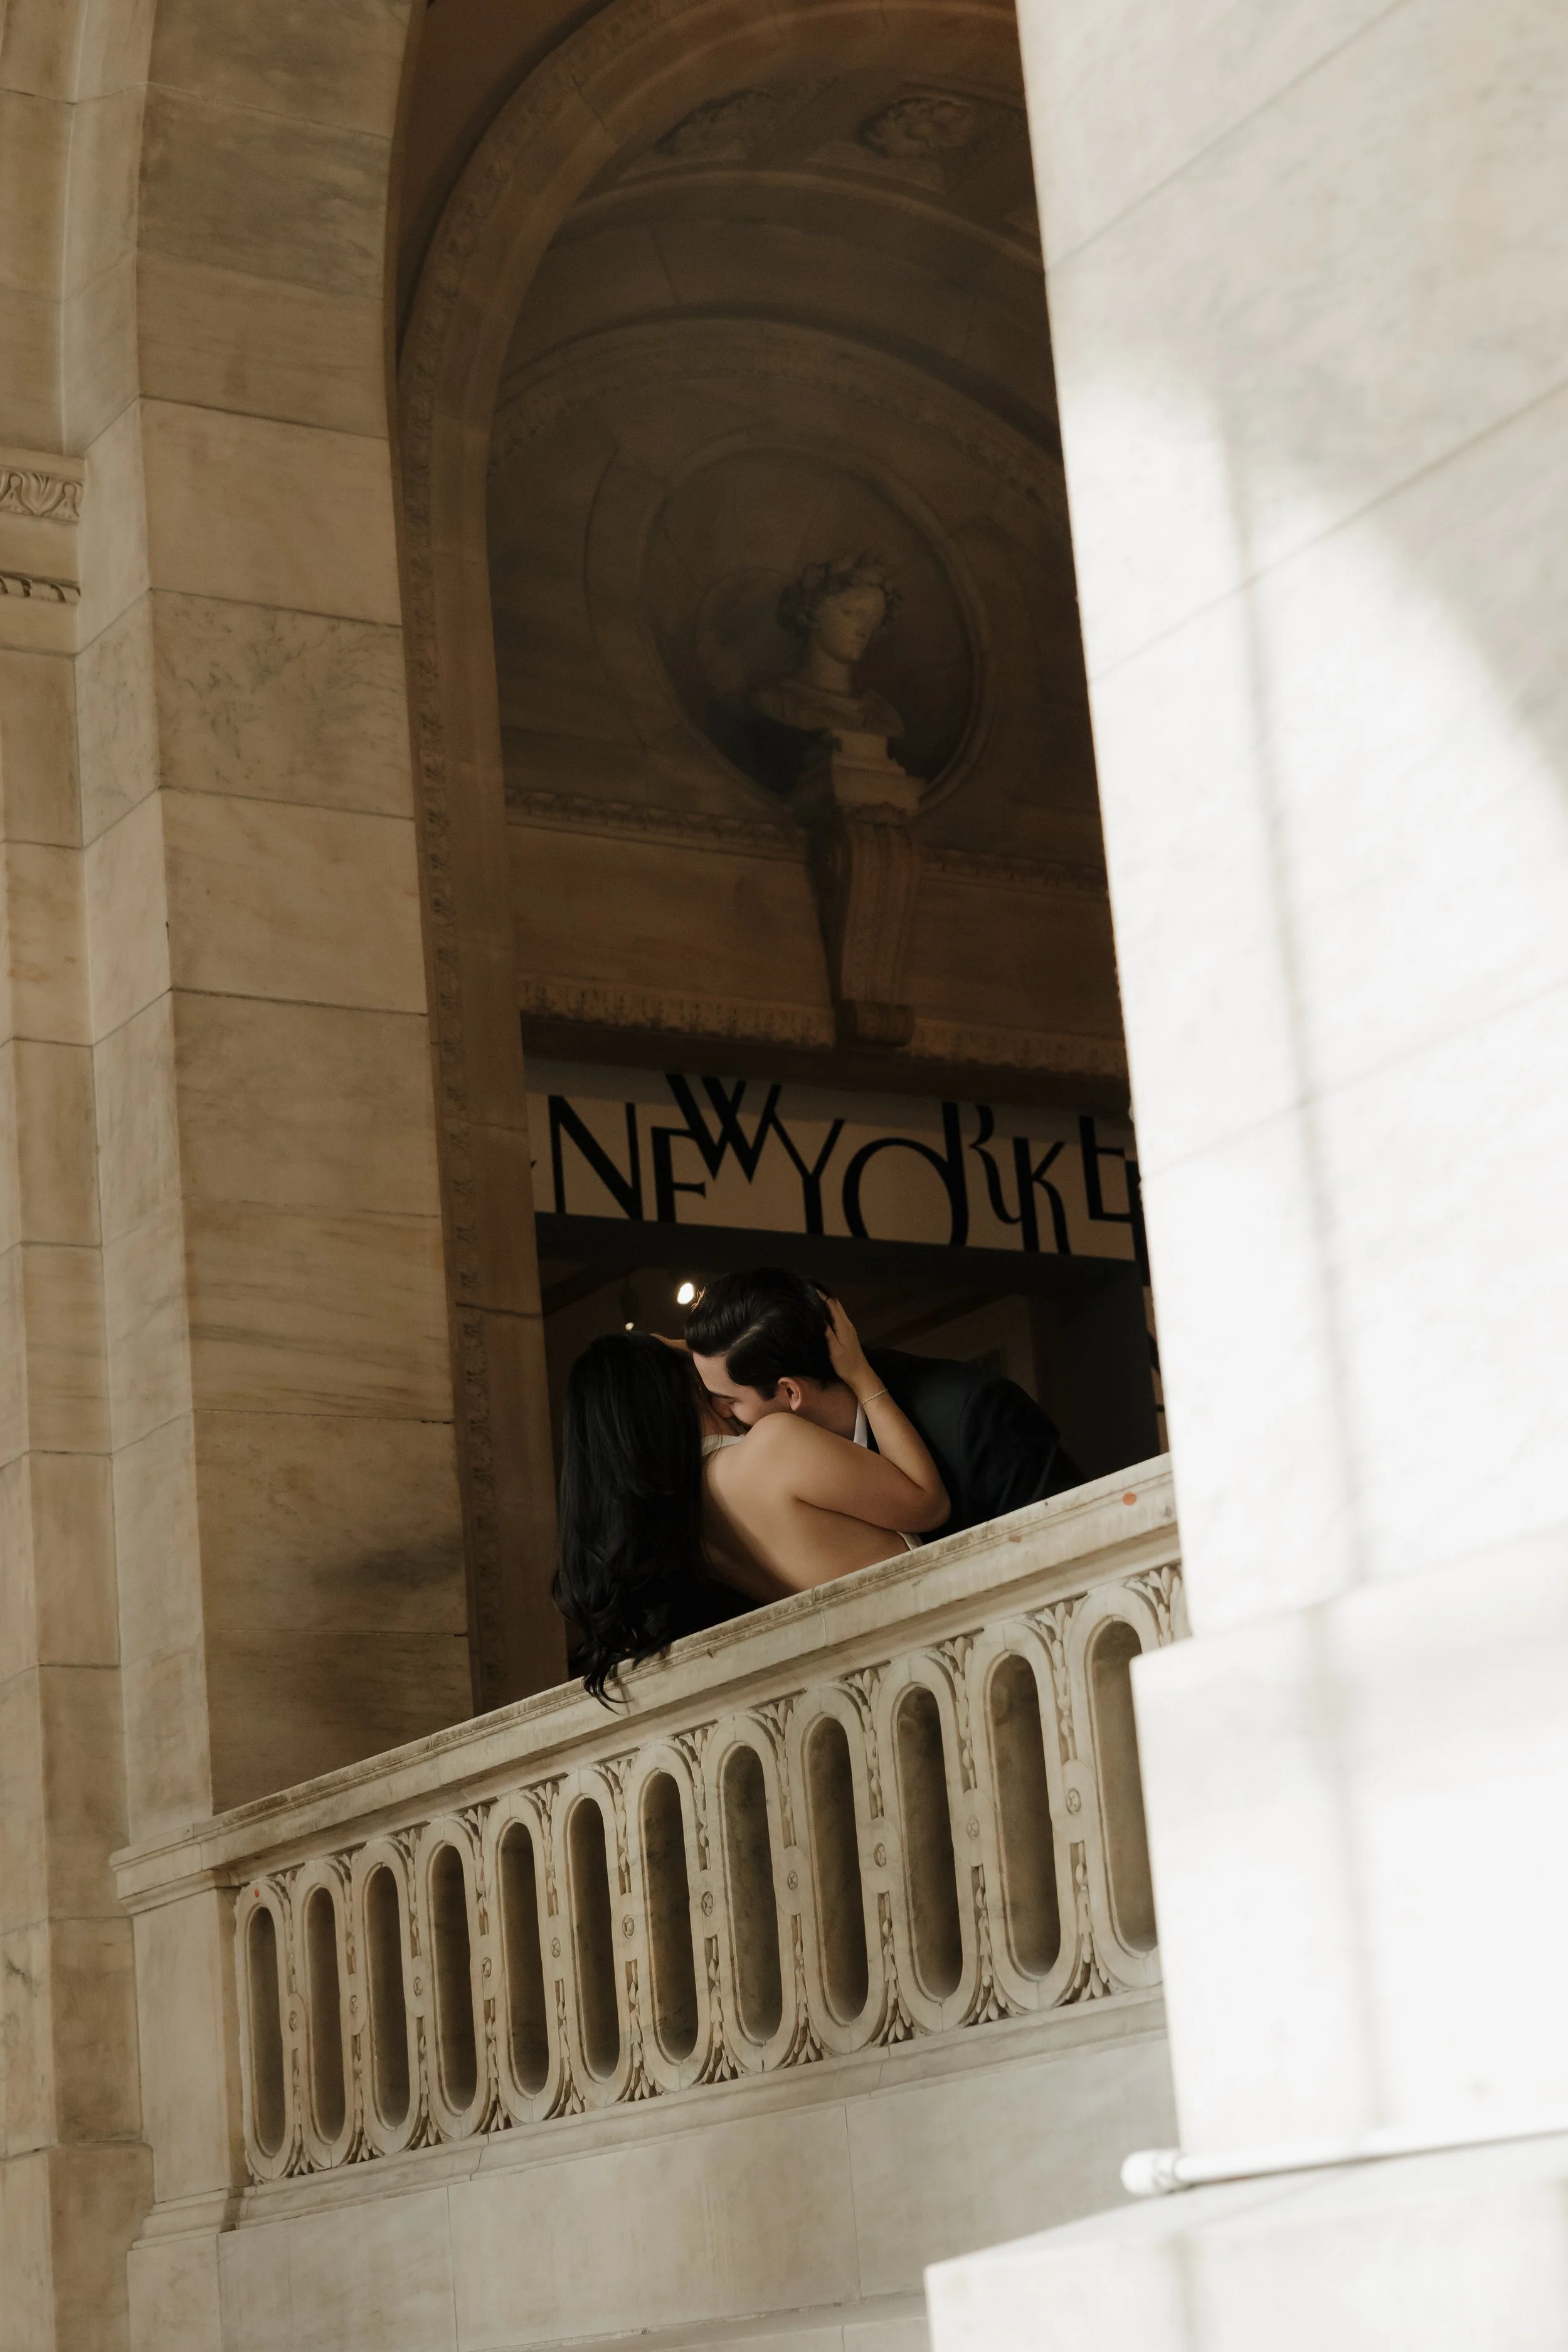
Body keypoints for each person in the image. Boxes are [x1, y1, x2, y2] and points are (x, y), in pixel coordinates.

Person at [553, 1299, 948, 1700]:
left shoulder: (685, 1529)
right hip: (937, 1639)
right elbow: (929, 1504)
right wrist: (861, 1374)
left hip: (869, 1684)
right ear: (675, 1384)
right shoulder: (772, 1444)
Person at [685, 1268, 1081, 1538]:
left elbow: (1073, 1540)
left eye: (728, 1400)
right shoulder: (776, 1469)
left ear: (791, 1393)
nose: (721, 1413)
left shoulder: (973, 1414)